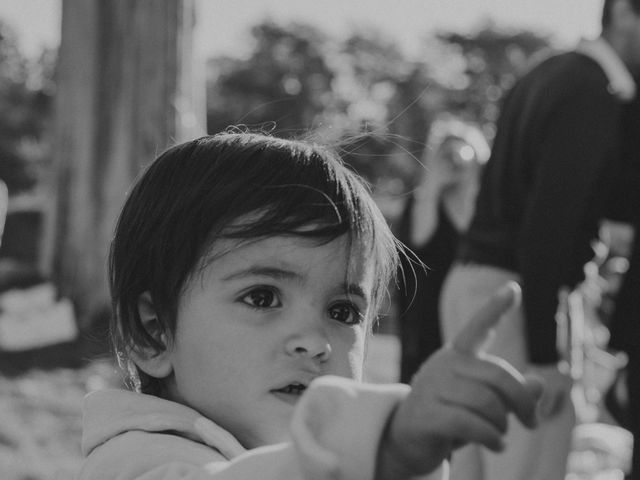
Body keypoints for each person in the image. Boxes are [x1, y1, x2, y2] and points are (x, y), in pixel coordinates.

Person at [77, 132, 543, 480]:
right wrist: (385, 447)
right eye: (262, 297)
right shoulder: (139, 459)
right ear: (154, 331)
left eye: (342, 312)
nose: (315, 343)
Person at [439, 1, 640, 479]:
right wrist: (544, 354)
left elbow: (609, 201)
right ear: (625, 14)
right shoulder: (590, 92)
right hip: (516, 299)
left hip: (475, 288)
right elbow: (548, 226)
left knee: (470, 471)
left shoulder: (549, 72)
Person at [397, 116, 489, 383]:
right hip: (428, 317)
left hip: (472, 310)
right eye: (445, 154)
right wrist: (433, 183)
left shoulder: (488, 208)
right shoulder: (423, 200)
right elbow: (419, 239)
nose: (454, 161)